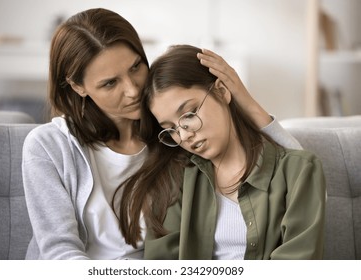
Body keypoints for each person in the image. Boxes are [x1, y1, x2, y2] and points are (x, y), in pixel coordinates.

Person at [22, 8, 302, 260]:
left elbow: (299, 175)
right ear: (78, 86)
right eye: (110, 83)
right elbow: (58, 251)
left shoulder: (176, 135)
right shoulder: (49, 146)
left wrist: (244, 98)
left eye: (135, 67)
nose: (132, 90)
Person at [118, 45, 326, 260]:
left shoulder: (300, 171)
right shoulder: (174, 179)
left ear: (222, 91)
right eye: (170, 128)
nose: (184, 135)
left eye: (189, 114)